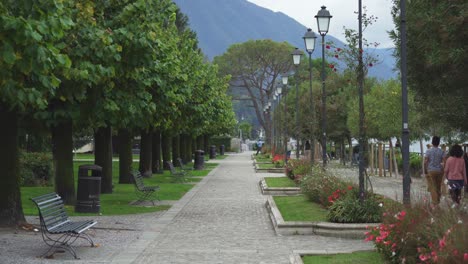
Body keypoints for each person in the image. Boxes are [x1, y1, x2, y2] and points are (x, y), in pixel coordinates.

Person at [424, 136, 445, 205]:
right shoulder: (441, 151)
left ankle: (434, 203)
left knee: (432, 187)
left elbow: (426, 161)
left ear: (432, 142)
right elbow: (443, 162)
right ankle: (438, 201)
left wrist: (425, 170)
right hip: (439, 171)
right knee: (438, 187)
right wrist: (442, 170)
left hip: (431, 171)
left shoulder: (428, 151)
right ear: (439, 143)